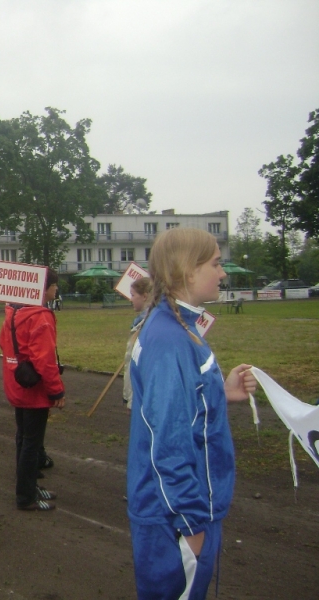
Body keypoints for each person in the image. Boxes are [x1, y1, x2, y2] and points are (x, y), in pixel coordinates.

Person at [127, 228, 257, 599]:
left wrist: (222, 391)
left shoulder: (175, 325)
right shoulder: (170, 339)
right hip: (176, 518)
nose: (223, 273)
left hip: (179, 512)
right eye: (216, 263)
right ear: (187, 269)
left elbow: (181, 406)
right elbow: (166, 443)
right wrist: (192, 524)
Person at [0, 269, 64, 511]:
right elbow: (45, 360)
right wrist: (56, 391)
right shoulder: (41, 316)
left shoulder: (14, 313)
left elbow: (3, 343)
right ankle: (26, 496)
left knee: (23, 438)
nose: (56, 290)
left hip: (17, 383)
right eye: (54, 286)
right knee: (31, 443)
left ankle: (28, 486)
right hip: (34, 389)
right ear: (44, 288)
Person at [123, 277, 152, 410]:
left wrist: (132, 399)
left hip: (142, 396)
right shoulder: (140, 323)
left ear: (145, 296)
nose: (131, 299)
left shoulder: (149, 326)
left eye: (133, 295)